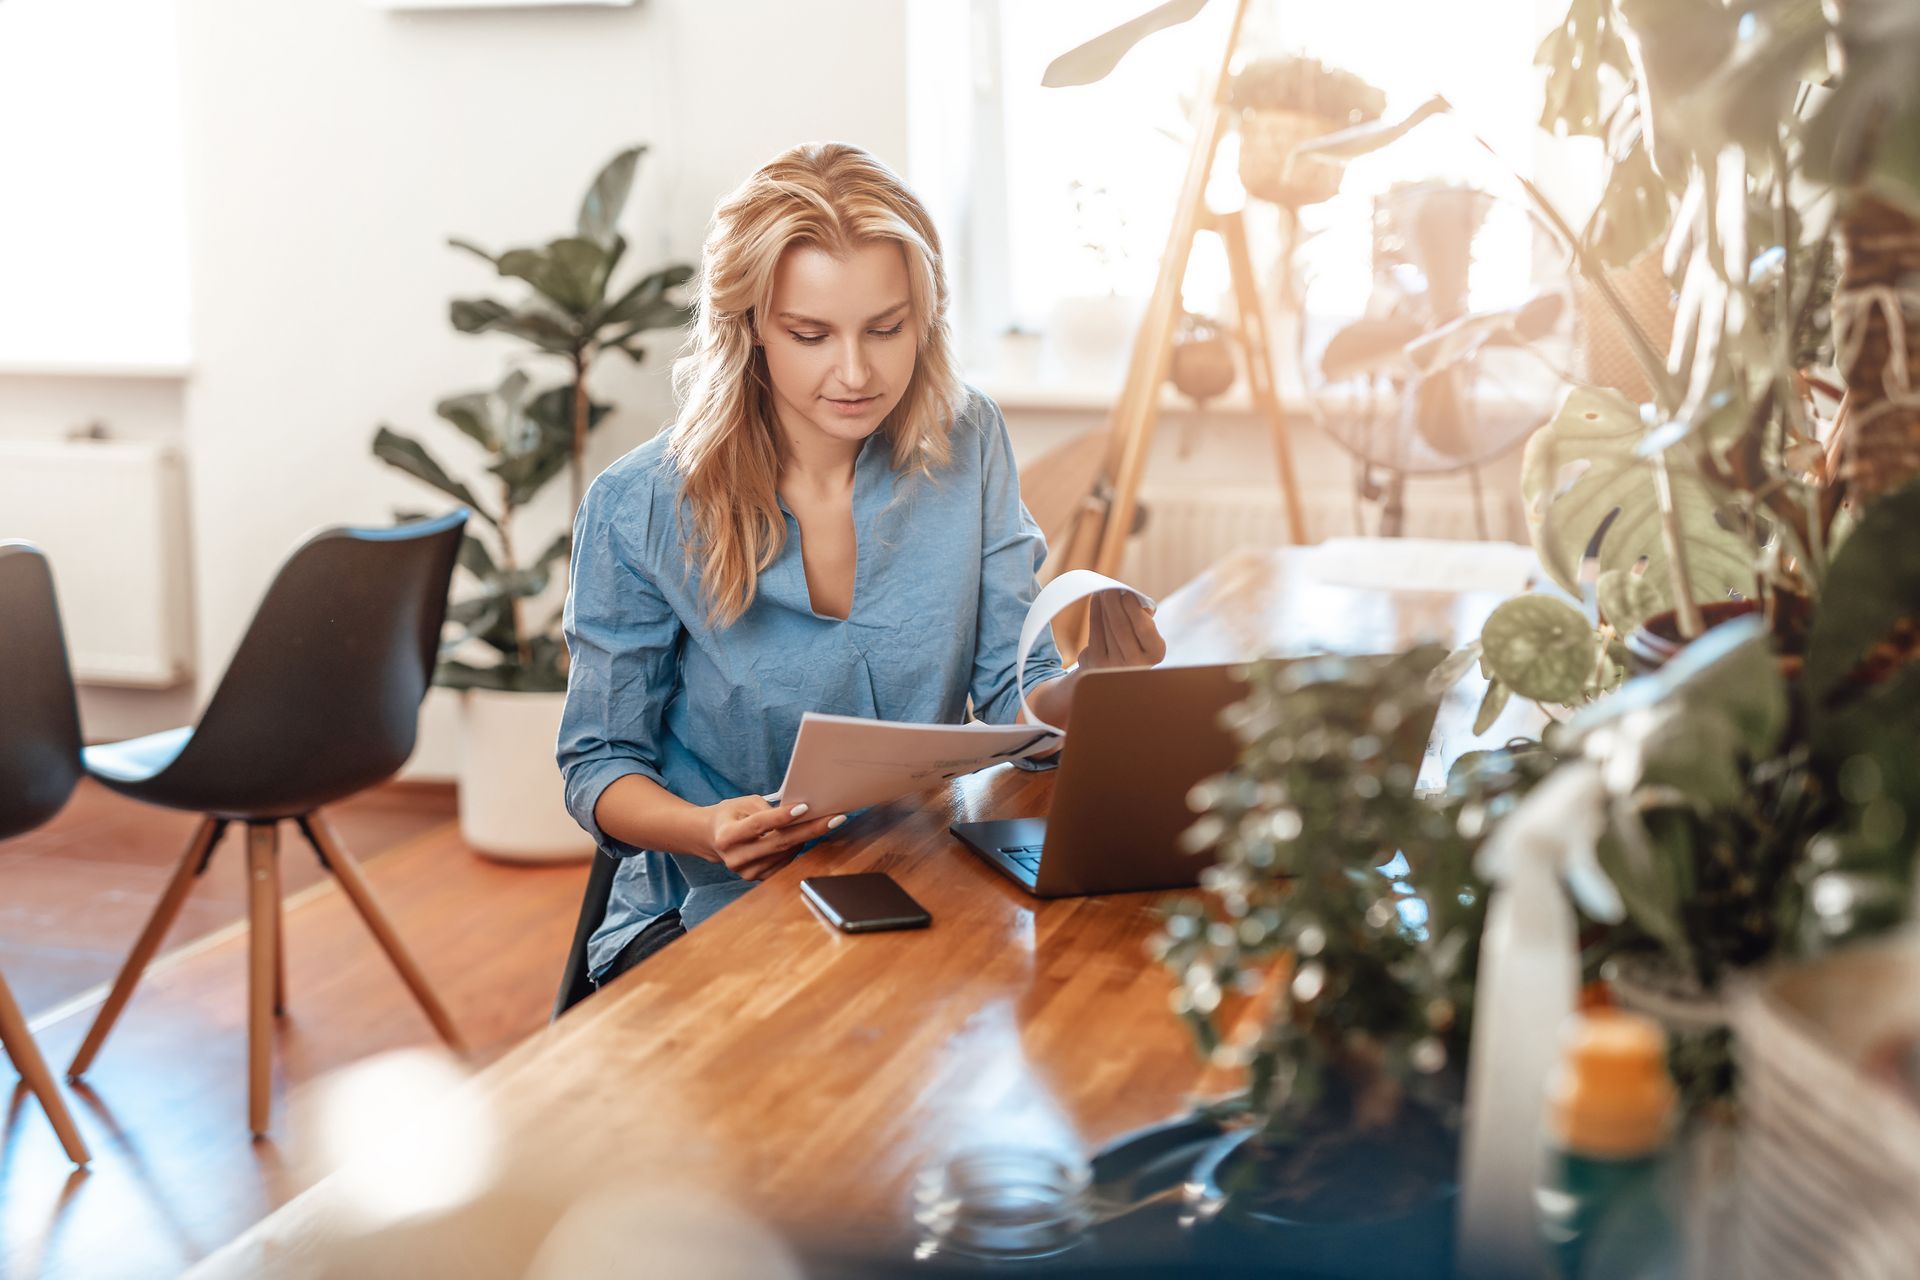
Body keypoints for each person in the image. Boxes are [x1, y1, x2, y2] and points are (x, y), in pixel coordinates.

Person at [557, 142, 1165, 989]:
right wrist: (705, 829)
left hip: (914, 881)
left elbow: (1008, 696)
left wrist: (1095, 684)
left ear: (925, 318)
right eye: (810, 334)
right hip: (711, 906)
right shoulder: (641, 505)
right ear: (751, 331)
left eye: (886, 329)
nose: (855, 371)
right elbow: (598, 762)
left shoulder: (967, 441)